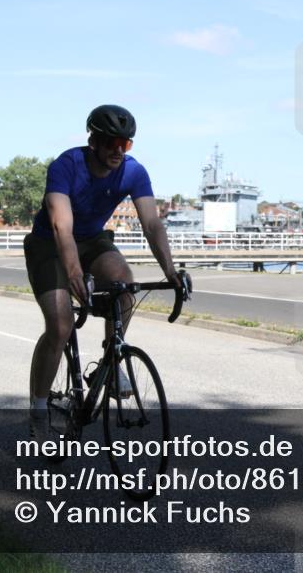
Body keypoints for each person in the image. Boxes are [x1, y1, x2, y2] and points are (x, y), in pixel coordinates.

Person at [24, 104, 181, 439]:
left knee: (125, 284)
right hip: (49, 245)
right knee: (61, 324)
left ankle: (109, 365)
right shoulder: (67, 166)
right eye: (111, 143)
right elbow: (60, 227)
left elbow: (152, 223)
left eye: (125, 145)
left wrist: (170, 271)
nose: (117, 151)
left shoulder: (133, 172)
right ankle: (38, 405)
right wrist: (73, 272)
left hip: (92, 240)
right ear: (93, 140)